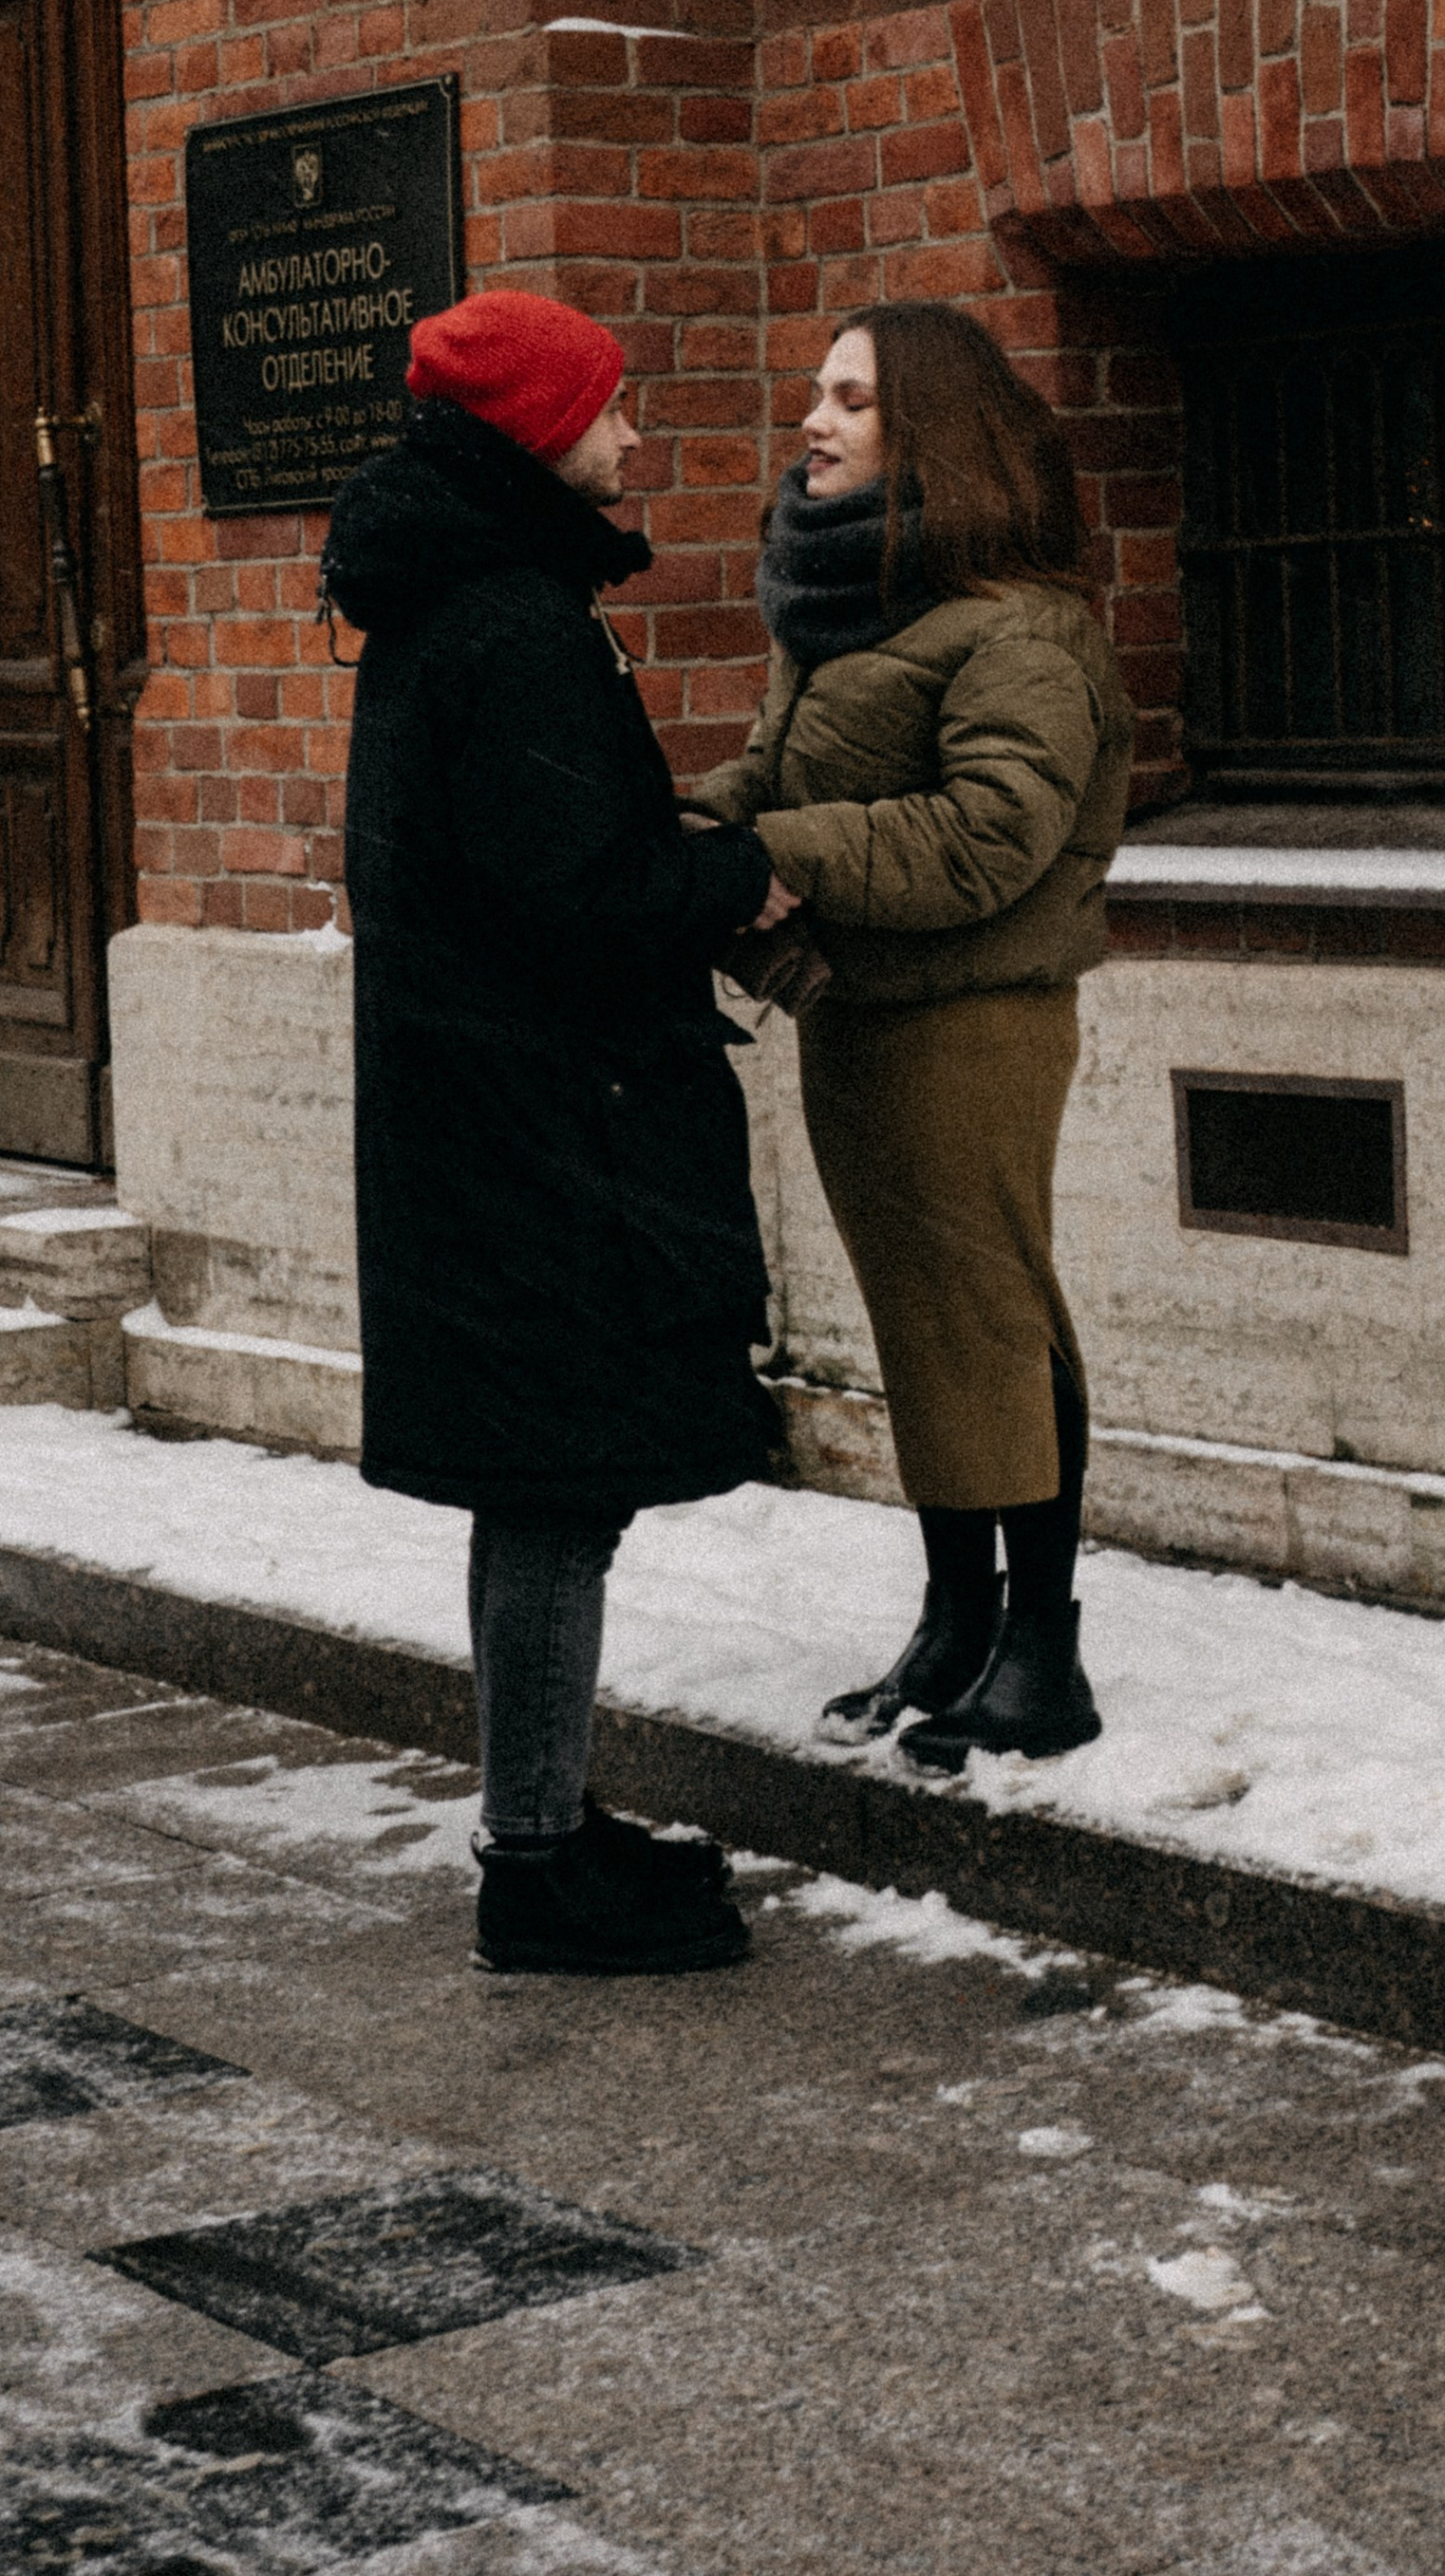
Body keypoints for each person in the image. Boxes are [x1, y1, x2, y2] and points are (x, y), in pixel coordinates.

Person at [321, 288, 799, 1977]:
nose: (636, 435)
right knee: (552, 1493)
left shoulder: (460, 599)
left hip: (502, 1117)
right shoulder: (513, 616)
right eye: (610, 409)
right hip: (540, 1132)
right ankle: (534, 1862)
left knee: (546, 1491)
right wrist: (742, 873)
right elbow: (577, 896)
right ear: (537, 433)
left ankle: (546, 1815)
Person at [689, 301, 1134, 1768]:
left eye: (852, 398)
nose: (812, 420)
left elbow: (992, 832)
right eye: (817, 392)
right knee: (920, 1320)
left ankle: (1045, 1650)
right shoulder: (848, 608)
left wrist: (782, 856)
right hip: (862, 1016)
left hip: (975, 1019)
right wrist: (669, 839)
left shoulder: (1023, 628)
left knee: (990, 1311)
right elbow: (766, 776)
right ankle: (957, 1620)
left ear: (929, 429)